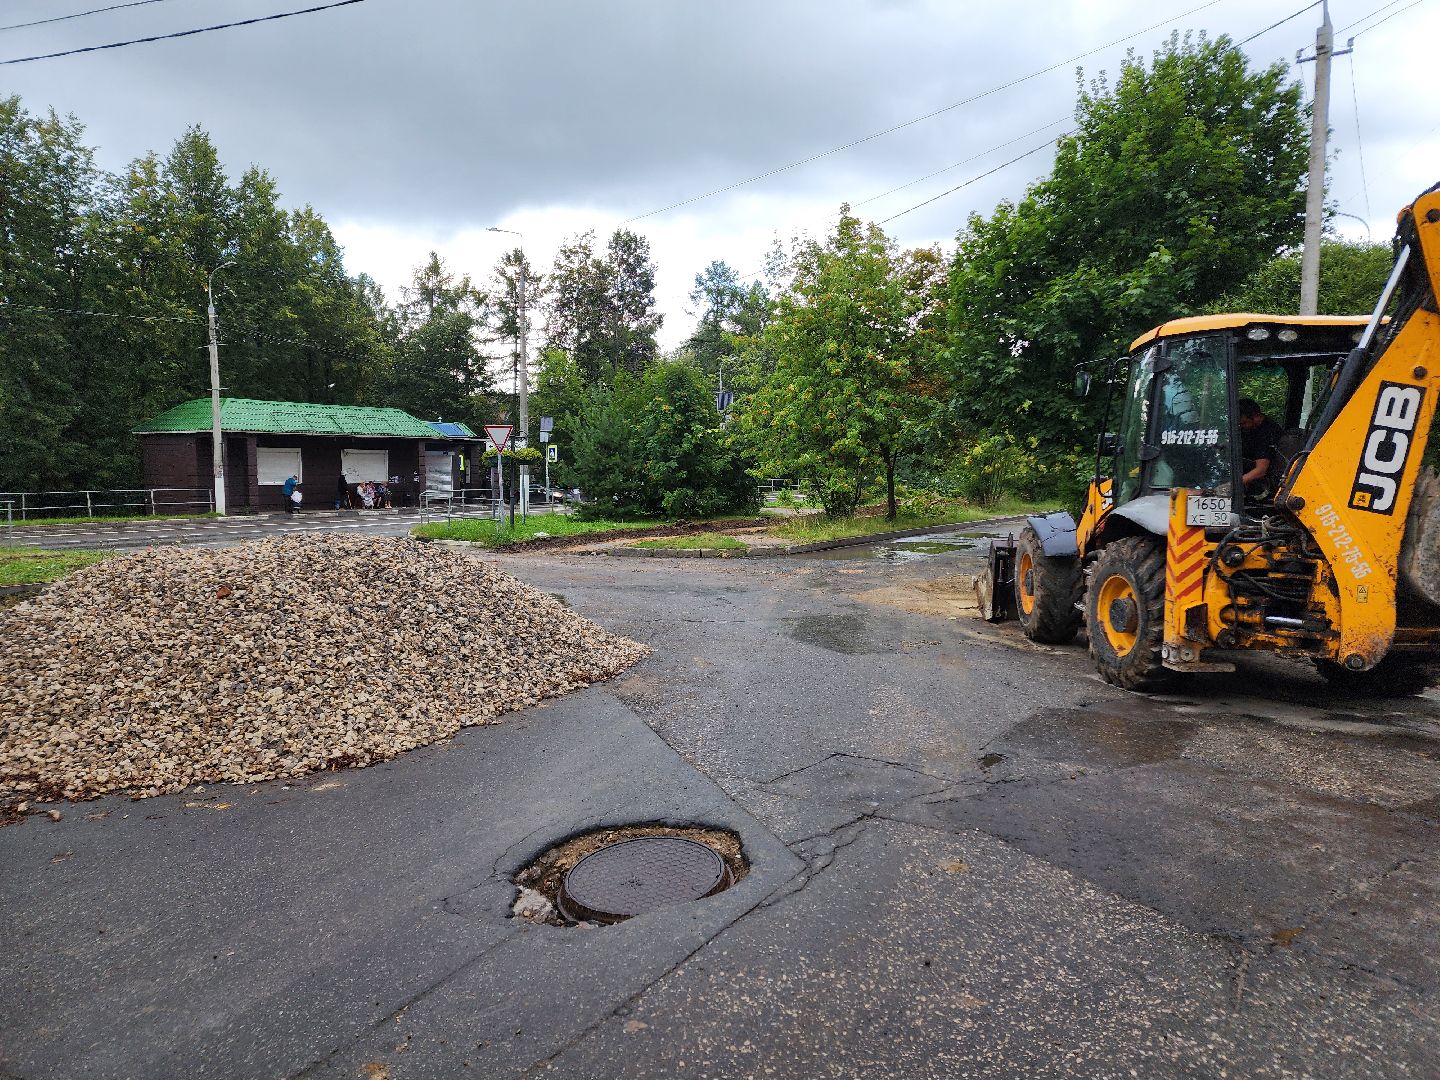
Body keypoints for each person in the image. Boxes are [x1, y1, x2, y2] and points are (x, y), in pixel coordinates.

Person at [1238, 398, 1285, 498]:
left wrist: (1232, 484)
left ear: (1256, 416)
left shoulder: (1267, 433)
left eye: (1243, 423)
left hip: (1265, 485)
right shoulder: (1249, 430)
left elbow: (1260, 470)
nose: (1241, 427)